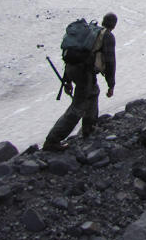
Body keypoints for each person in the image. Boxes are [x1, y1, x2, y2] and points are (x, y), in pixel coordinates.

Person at [43, 12, 117, 151]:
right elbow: (110, 61)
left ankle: (89, 128)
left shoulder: (91, 31)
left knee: (94, 92)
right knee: (78, 106)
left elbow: (75, 56)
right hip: (84, 72)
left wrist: (67, 80)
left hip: (73, 69)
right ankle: (52, 140)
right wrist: (111, 85)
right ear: (114, 25)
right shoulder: (107, 36)